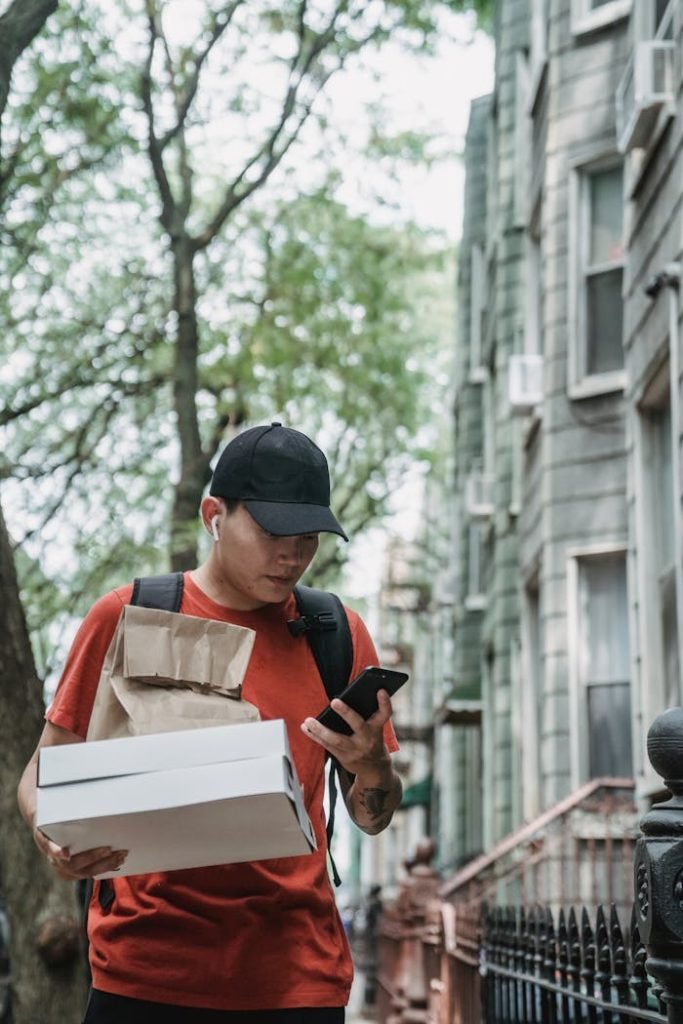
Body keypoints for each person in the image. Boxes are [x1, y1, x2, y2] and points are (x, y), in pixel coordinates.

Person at [17, 422, 403, 1024]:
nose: (293, 555)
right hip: (144, 974)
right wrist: (53, 837)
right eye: (274, 531)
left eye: (310, 537)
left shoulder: (337, 634)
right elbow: (41, 772)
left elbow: (371, 817)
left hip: (296, 979)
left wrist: (372, 767)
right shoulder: (129, 615)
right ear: (213, 514)